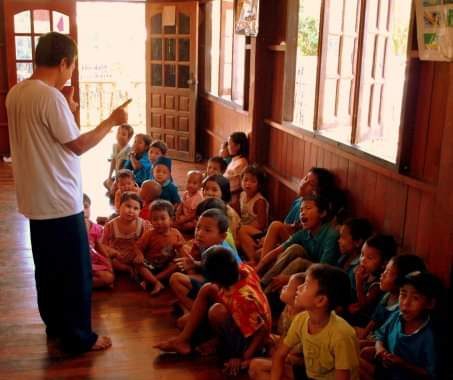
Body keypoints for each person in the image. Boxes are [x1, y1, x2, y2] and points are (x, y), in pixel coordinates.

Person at [5, 31, 129, 353]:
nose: (71, 72)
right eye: (71, 66)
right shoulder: (49, 97)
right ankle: (79, 338)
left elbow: (48, 138)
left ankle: (57, 328)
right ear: (63, 62)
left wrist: (67, 106)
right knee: (75, 274)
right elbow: (78, 146)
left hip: (36, 199)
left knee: (48, 270)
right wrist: (111, 121)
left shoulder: (17, 93)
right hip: (59, 200)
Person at [155, 247, 271, 376]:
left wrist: (241, 356)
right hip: (242, 315)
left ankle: (222, 344)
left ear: (216, 278)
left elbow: (263, 330)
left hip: (252, 338)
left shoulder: (243, 301)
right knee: (207, 289)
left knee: (216, 312)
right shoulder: (242, 269)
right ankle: (183, 340)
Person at [272, 264, 359, 380]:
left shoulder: (341, 335)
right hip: (310, 375)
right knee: (257, 367)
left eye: (306, 285)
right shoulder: (301, 319)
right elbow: (280, 355)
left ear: (320, 300)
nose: (299, 288)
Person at [360, 271, 442, 380]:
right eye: (403, 294)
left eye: (415, 298)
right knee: (355, 359)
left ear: (430, 304)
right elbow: (380, 336)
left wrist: (403, 364)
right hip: (388, 371)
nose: (405, 303)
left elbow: (431, 374)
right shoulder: (397, 316)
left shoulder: (430, 336)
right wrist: (380, 350)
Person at [258, 195, 340, 294]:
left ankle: (266, 294)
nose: (303, 213)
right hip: (310, 270)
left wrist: (288, 278)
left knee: (299, 262)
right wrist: (257, 268)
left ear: (322, 213)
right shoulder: (304, 232)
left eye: (308, 208)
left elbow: (321, 270)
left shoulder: (331, 235)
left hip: (323, 276)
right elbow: (278, 250)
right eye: (301, 210)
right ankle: (261, 284)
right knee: (295, 248)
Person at [169, 209, 241, 314]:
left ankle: (197, 315)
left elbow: (222, 282)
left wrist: (195, 265)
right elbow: (202, 265)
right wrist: (194, 262)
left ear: (222, 236)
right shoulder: (205, 244)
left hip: (226, 292)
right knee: (185, 273)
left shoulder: (222, 252)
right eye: (198, 227)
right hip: (212, 282)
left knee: (176, 279)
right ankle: (196, 311)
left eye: (207, 230)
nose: (199, 233)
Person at [260, 168, 336, 259]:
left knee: (275, 226)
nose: (303, 184)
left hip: (299, 245)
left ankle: (261, 268)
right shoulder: (299, 201)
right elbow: (287, 224)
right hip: (288, 240)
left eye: (310, 184)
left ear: (316, 192)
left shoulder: (316, 209)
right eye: (305, 178)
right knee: (260, 252)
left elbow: (298, 231)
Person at [355, 254, 426, 341]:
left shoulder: (402, 308)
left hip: (381, 342)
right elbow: (374, 320)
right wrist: (362, 337)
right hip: (374, 337)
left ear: (401, 280)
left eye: (388, 272)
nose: (382, 275)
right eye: (385, 270)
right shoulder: (387, 296)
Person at [249, 273, 306, 380]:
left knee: (255, 366)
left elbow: (297, 353)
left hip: (297, 358)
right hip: (287, 350)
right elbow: (283, 336)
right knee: (268, 339)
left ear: (296, 295)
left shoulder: (302, 319)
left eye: (288, 286)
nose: (284, 287)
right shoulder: (288, 308)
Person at [102, 192, 157, 292]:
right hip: (118, 256)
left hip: (135, 254)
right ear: (119, 206)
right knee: (107, 260)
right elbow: (103, 244)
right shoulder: (111, 225)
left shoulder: (143, 224)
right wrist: (112, 252)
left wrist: (140, 254)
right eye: (128, 206)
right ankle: (126, 269)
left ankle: (144, 276)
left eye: (136, 208)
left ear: (140, 211)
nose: (131, 211)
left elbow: (149, 240)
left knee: (145, 261)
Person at [347, 234, 397, 326]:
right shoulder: (365, 274)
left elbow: (364, 306)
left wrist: (359, 283)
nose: (363, 260)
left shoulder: (379, 284)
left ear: (384, 263)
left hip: (367, 321)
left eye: (369, 258)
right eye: (362, 254)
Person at [136, 200, 186, 288]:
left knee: (177, 265)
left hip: (166, 264)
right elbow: (138, 247)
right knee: (138, 265)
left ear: (171, 219)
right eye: (155, 219)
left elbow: (182, 247)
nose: (159, 222)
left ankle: (153, 280)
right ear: (150, 221)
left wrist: (180, 248)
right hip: (150, 264)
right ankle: (156, 282)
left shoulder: (176, 233)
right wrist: (139, 255)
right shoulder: (149, 234)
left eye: (163, 218)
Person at [236, 164, 269, 263]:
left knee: (241, 233)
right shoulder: (242, 195)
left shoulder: (259, 201)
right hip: (245, 230)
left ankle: (252, 260)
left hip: (259, 233)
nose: (248, 184)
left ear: (259, 184)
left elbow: (261, 224)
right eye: (245, 180)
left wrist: (243, 228)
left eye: (253, 181)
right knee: (234, 241)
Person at [337, 218, 373, 300]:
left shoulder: (359, 269)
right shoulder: (344, 257)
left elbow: (353, 297)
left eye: (343, 237)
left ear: (357, 242)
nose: (339, 241)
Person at [83, 194, 114, 289]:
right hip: (77, 264)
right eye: (79, 209)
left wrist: (109, 266)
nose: (83, 211)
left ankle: (81, 284)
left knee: (109, 277)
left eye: (86, 207)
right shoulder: (69, 229)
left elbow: (101, 249)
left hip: (93, 263)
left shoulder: (96, 228)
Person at [202, 174, 241, 241]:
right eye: (206, 189)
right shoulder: (206, 206)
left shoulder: (229, 214)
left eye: (214, 190)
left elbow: (231, 240)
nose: (209, 192)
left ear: (223, 193)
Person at [103, 123, 134, 196]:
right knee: (105, 182)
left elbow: (123, 166)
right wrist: (109, 177)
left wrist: (116, 180)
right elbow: (113, 161)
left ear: (129, 138)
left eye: (123, 134)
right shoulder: (115, 146)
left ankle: (116, 191)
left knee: (115, 185)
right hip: (117, 175)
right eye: (118, 133)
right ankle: (115, 190)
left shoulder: (129, 149)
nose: (120, 136)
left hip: (125, 177)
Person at [223, 132, 249, 206]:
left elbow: (238, 188)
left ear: (238, 146)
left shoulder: (241, 163)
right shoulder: (235, 160)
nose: (228, 147)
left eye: (229, 144)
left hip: (230, 198)